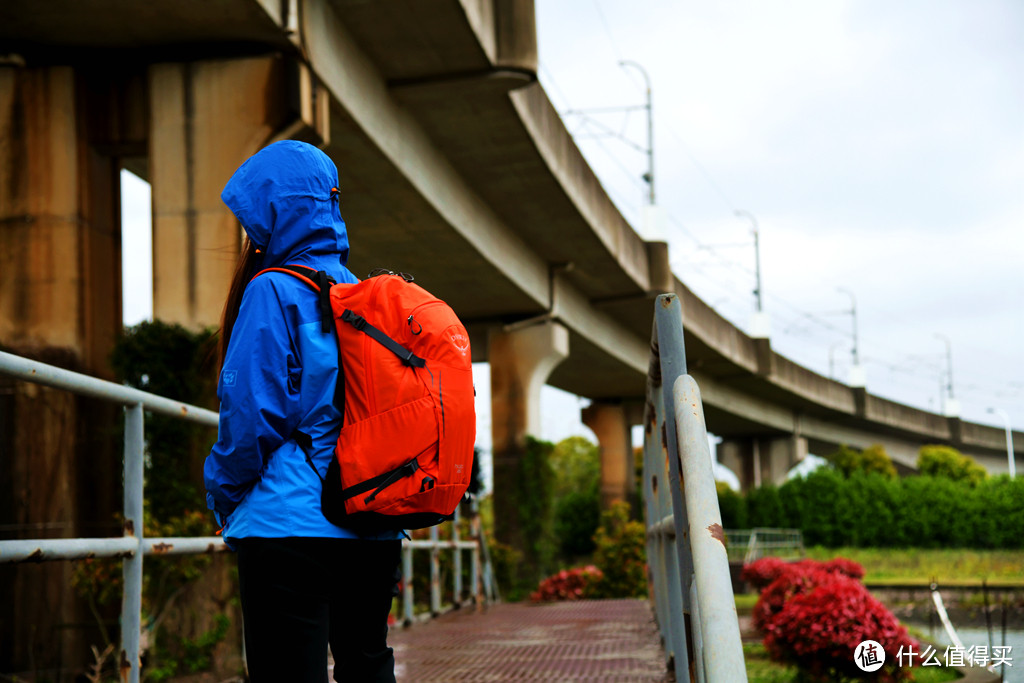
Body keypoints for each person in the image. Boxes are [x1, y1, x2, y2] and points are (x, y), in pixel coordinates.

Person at [204, 140, 402, 683]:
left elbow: (250, 416)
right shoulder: (367, 297)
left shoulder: (273, 290)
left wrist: (221, 492)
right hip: (371, 523)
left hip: (288, 528)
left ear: (271, 212)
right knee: (368, 666)